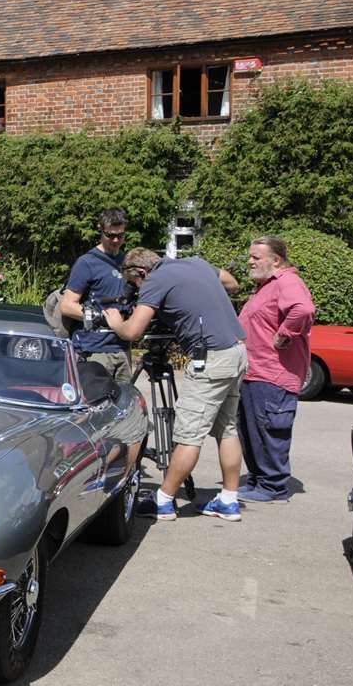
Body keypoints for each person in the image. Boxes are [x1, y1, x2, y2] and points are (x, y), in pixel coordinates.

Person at [105, 247, 247, 522]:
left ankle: (164, 500)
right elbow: (232, 282)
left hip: (210, 360)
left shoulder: (156, 280)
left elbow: (133, 331)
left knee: (188, 435)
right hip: (236, 351)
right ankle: (228, 500)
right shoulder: (194, 262)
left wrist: (116, 323)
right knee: (227, 429)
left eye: (135, 283)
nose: (137, 288)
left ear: (142, 273)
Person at [236, 236, 316, 504]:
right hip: (255, 372)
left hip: (272, 375)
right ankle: (259, 480)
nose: (250, 261)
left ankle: (273, 486)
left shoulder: (287, 282)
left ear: (276, 260)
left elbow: (303, 310)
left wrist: (285, 334)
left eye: (256, 257)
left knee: (269, 429)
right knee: (252, 431)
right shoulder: (266, 286)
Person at [58, 208, 135, 387]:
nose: (116, 240)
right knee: (95, 407)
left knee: (123, 406)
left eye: (121, 235)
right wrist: (101, 317)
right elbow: (67, 305)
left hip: (122, 348)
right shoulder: (87, 263)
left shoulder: (127, 261)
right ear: (100, 230)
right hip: (95, 350)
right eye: (110, 235)